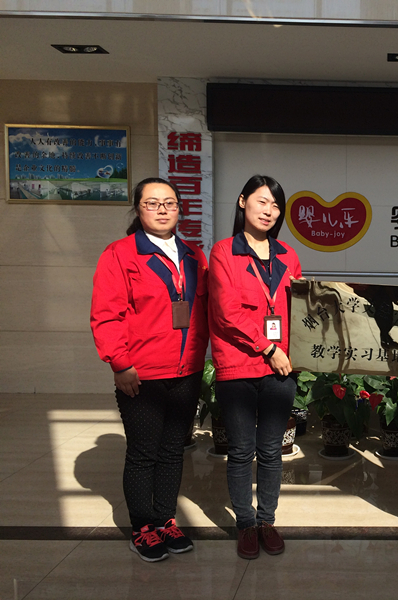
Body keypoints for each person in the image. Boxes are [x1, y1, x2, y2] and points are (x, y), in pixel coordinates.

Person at [90, 177, 209, 562]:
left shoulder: (194, 256)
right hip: (141, 374)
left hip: (187, 371)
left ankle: (165, 520)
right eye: (152, 203)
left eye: (169, 203)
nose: (162, 209)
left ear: (180, 209)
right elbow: (106, 315)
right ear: (138, 208)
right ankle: (142, 527)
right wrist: (120, 363)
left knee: (173, 450)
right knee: (143, 453)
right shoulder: (120, 254)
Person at [208, 175, 301, 560]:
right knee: (242, 451)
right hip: (238, 366)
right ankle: (245, 524)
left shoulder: (288, 255)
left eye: (276, 206)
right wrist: (268, 347)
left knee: (272, 451)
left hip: (280, 370)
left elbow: (300, 309)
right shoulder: (223, 252)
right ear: (243, 201)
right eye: (262, 201)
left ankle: (267, 521)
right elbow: (226, 312)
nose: (269, 211)